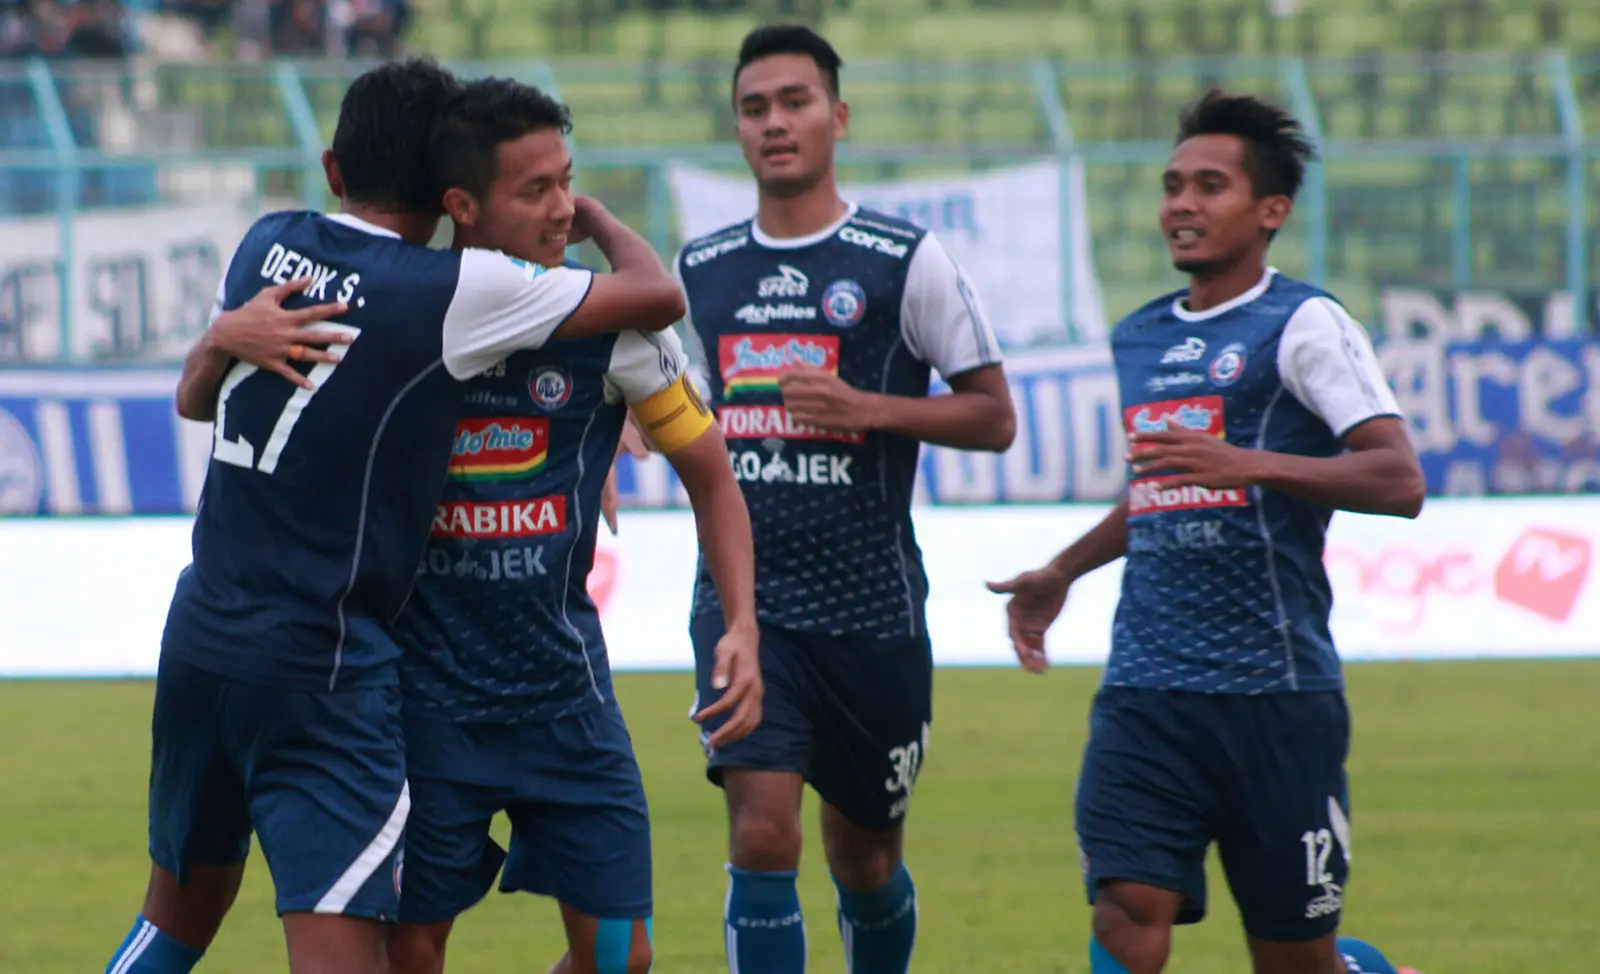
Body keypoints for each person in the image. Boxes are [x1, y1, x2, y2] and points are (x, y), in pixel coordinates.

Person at [104, 59, 684, 974]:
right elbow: (656, 298)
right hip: (321, 669)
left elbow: (193, 402)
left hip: (202, 640)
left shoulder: (267, 239)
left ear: (335, 170)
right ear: (454, 196)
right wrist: (596, 213)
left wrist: (218, 334)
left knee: (172, 926)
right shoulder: (448, 293)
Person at [987, 89, 1426, 974]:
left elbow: (1398, 478)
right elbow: (1164, 489)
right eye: (1172, 185)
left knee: (1294, 960)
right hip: (1147, 691)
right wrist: (1063, 570)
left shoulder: (1303, 325)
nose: (1182, 203)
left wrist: (1251, 464)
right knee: (1125, 908)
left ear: (1271, 211)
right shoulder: (1139, 335)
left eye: (1210, 186)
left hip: (1275, 695)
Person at [376, 78, 762, 974]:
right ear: (462, 207)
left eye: (569, 184)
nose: (562, 211)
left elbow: (711, 474)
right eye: (535, 190)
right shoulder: (408, 312)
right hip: (428, 708)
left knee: (623, 957)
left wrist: (741, 625)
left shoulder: (609, 330)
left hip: (567, 703)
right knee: (410, 953)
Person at [670, 24, 1016, 974]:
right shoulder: (700, 272)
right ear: (738, 130)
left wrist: (865, 406)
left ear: (838, 116)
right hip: (747, 608)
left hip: (872, 613)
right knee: (764, 829)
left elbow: (995, 418)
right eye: (754, 108)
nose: (775, 123)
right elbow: (674, 402)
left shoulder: (905, 260)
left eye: (795, 102)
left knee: (863, 857)